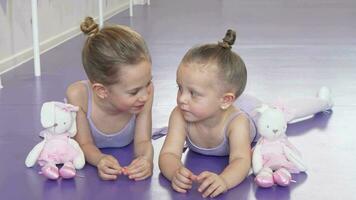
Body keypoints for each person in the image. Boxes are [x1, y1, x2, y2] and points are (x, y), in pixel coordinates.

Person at [158, 29, 333, 198]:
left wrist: (224, 181)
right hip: (224, 105)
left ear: (225, 100)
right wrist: (174, 172)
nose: (182, 99)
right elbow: (169, 154)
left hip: (251, 111)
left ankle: (323, 101)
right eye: (180, 88)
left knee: (284, 111)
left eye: (193, 93)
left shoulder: (237, 123)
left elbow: (241, 160)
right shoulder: (180, 115)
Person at [66, 17, 154, 181]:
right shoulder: (79, 96)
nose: (144, 95)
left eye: (148, 82)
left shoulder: (146, 91)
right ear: (101, 91)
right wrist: (100, 159)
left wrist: (146, 159)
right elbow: (84, 143)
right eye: (134, 92)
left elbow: (143, 140)